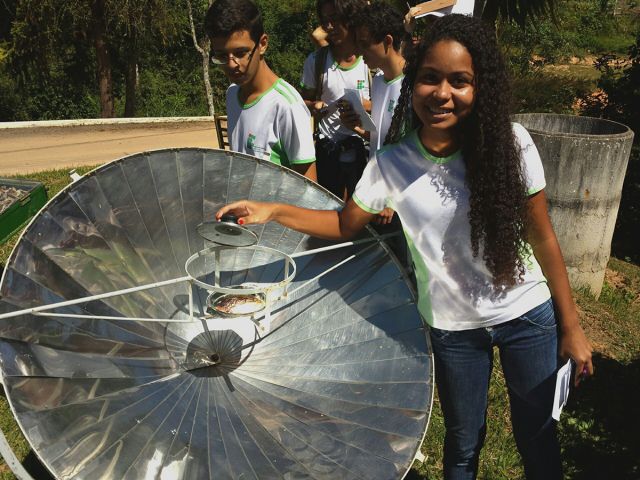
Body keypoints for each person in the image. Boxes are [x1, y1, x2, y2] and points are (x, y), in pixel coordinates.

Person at [217, 14, 594, 480]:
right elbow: (343, 223)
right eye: (430, 78)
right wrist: (273, 210)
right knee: (462, 444)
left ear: (481, 89)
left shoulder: (511, 145)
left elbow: (543, 237)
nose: (442, 93)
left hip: (526, 316)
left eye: (461, 81)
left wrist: (570, 327)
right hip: (454, 331)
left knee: (537, 440)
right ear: (412, 82)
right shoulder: (390, 163)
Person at [205, 0, 317, 181]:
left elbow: (309, 191)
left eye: (241, 53)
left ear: (262, 44)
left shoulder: (287, 106)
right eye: (222, 56)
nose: (232, 64)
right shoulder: (232, 94)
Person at [338, 0, 407, 225]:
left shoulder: (414, 85)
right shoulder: (378, 81)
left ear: (388, 41)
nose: (359, 51)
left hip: (400, 205)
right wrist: (356, 128)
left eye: (365, 44)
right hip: (376, 194)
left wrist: (392, 200)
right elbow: (382, 141)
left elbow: (414, 151)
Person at [300, 0, 371, 199]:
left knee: (362, 214)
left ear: (350, 19)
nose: (329, 27)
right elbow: (302, 102)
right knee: (328, 207)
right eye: (324, 21)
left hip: (364, 149)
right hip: (327, 150)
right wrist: (313, 105)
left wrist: (362, 106)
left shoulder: (370, 60)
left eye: (335, 19)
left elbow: (388, 105)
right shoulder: (316, 61)